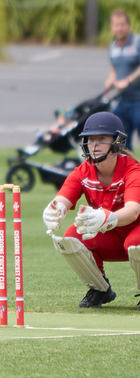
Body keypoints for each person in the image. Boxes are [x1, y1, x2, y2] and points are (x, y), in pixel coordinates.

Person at [42, 111, 140, 310]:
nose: (94, 145)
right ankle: (99, 289)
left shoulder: (133, 171)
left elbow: (133, 211)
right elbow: (62, 198)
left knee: (135, 243)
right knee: (70, 237)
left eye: (102, 138)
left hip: (135, 233)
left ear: (117, 142)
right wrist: (54, 210)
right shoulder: (82, 171)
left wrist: (106, 218)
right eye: (90, 139)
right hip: (112, 238)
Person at [104, 9, 140, 151]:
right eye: (116, 25)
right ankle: (129, 172)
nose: (119, 28)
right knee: (120, 144)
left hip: (138, 101)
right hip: (122, 102)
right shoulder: (112, 47)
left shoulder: (137, 42)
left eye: (122, 25)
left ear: (128, 26)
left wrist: (128, 81)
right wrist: (110, 81)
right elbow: (114, 68)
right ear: (112, 27)